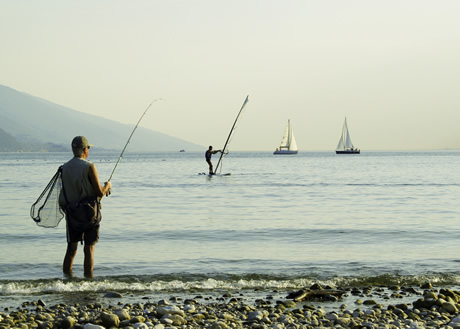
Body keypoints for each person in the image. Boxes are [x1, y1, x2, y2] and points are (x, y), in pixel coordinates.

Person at [59, 136, 112, 278]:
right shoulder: (89, 166)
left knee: (71, 249)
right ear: (84, 149)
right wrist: (108, 185)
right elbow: (99, 193)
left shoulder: (64, 168)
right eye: (88, 148)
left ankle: (66, 281)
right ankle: (88, 282)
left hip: (72, 214)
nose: (88, 150)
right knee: (89, 249)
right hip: (90, 214)